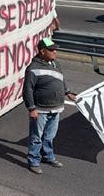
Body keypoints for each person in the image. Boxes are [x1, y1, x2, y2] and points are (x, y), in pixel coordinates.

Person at [23, 38, 77, 174]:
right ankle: (33, 161)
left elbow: (61, 80)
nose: (55, 52)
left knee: (49, 136)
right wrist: (31, 108)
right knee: (36, 137)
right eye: (52, 50)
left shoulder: (56, 64)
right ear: (42, 51)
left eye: (55, 49)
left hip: (56, 107)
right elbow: (27, 89)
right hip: (40, 110)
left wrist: (68, 92)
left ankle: (47, 156)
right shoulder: (33, 68)